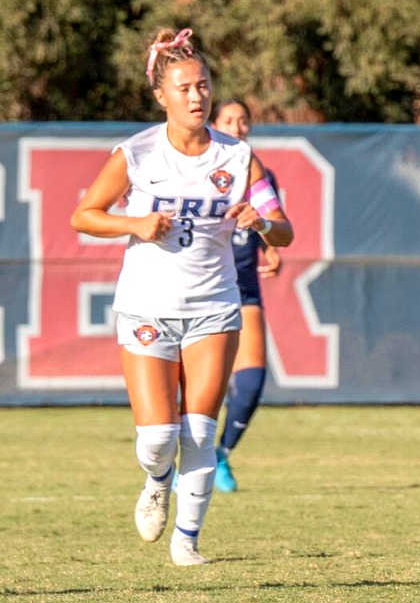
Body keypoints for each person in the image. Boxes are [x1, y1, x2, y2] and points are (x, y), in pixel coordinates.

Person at [70, 28, 294, 566]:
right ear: (161, 95)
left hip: (214, 308)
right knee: (157, 438)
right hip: (147, 306)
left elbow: (284, 231)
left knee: (199, 429)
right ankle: (155, 480)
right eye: (185, 87)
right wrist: (137, 223)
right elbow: (84, 215)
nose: (197, 97)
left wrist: (261, 221)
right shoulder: (138, 153)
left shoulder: (240, 159)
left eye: (203, 85)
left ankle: (187, 541)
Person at [209, 98, 282, 493]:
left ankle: (220, 454)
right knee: (200, 389)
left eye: (243, 121)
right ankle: (178, 466)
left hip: (243, 288)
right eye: (228, 120)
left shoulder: (260, 174)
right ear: (213, 124)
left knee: (251, 383)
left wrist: (272, 251)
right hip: (197, 290)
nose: (236, 127)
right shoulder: (194, 170)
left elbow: (275, 234)